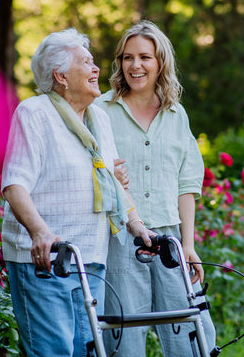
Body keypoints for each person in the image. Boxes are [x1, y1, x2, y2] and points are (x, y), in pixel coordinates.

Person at [1, 28, 151, 357]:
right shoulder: (35, 113)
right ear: (61, 76)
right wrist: (40, 231)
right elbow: (14, 184)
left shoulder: (98, 118)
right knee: (53, 351)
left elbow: (110, 180)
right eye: (86, 62)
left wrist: (137, 225)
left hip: (90, 259)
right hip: (45, 260)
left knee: (87, 351)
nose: (97, 69)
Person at [95, 20, 216, 356]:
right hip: (119, 240)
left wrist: (188, 245)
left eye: (145, 57)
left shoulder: (177, 115)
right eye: (128, 57)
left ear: (161, 62)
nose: (136, 66)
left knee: (191, 338)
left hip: (170, 240)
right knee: (123, 340)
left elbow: (187, 184)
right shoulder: (100, 112)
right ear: (119, 63)